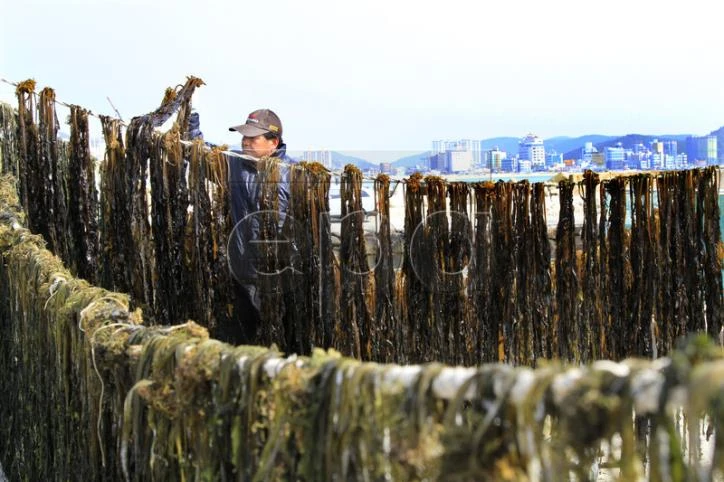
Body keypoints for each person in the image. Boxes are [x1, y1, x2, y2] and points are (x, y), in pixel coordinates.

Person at [225, 109, 294, 343]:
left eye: (253, 138)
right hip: (241, 268)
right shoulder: (235, 163)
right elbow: (199, 149)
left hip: (277, 272)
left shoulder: (292, 174)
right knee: (244, 332)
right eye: (244, 136)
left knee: (278, 331)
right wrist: (190, 118)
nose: (245, 142)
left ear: (273, 142)